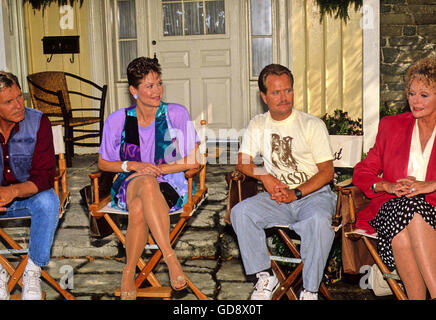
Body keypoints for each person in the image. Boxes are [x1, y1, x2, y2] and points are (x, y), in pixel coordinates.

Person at [230, 64, 337, 300]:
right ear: (264, 96)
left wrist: (296, 193)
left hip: (313, 196)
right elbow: (242, 161)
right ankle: (266, 276)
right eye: (276, 93)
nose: (283, 98)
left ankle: (309, 290)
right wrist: (265, 177)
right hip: (277, 198)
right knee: (241, 212)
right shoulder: (258, 124)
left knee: (319, 221)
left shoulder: (311, 124)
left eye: (287, 91)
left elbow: (327, 172)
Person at [98, 57, 201, 300]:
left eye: (159, 84)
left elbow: (195, 160)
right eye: (149, 86)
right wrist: (133, 165)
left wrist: (158, 170)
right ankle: (170, 257)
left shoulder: (175, 113)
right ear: (133, 90)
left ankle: (128, 272)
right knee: (143, 182)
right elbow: (103, 162)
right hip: (128, 184)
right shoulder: (118, 119)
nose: (157, 91)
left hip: (169, 185)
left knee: (139, 207)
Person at [353, 56, 436, 300]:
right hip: (392, 211)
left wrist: (428, 185)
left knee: (404, 227)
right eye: (411, 93)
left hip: (427, 216)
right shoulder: (391, 126)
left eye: (424, 95)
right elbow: (362, 172)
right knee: (406, 208)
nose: (415, 101)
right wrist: (386, 185)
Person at [0, 71, 59, 300]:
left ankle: (32, 271)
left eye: (19, 97)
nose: (18, 105)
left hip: (28, 196)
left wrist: (12, 191)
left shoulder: (38, 122)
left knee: (47, 201)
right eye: (9, 101)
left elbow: (45, 176)